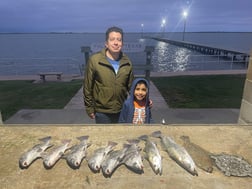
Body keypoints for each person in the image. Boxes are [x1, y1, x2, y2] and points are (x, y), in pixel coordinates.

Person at [83, 26, 134, 123]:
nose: (116, 43)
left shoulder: (127, 62)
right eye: (112, 39)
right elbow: (87, 87)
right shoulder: (95, 60)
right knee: (105, 137)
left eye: (119, 40)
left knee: (120, 137)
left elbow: (131, 88)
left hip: (122, 110)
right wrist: (89, 108)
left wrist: (144, 101)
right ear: (106, 43)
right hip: (102, 112)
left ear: (122, 43)